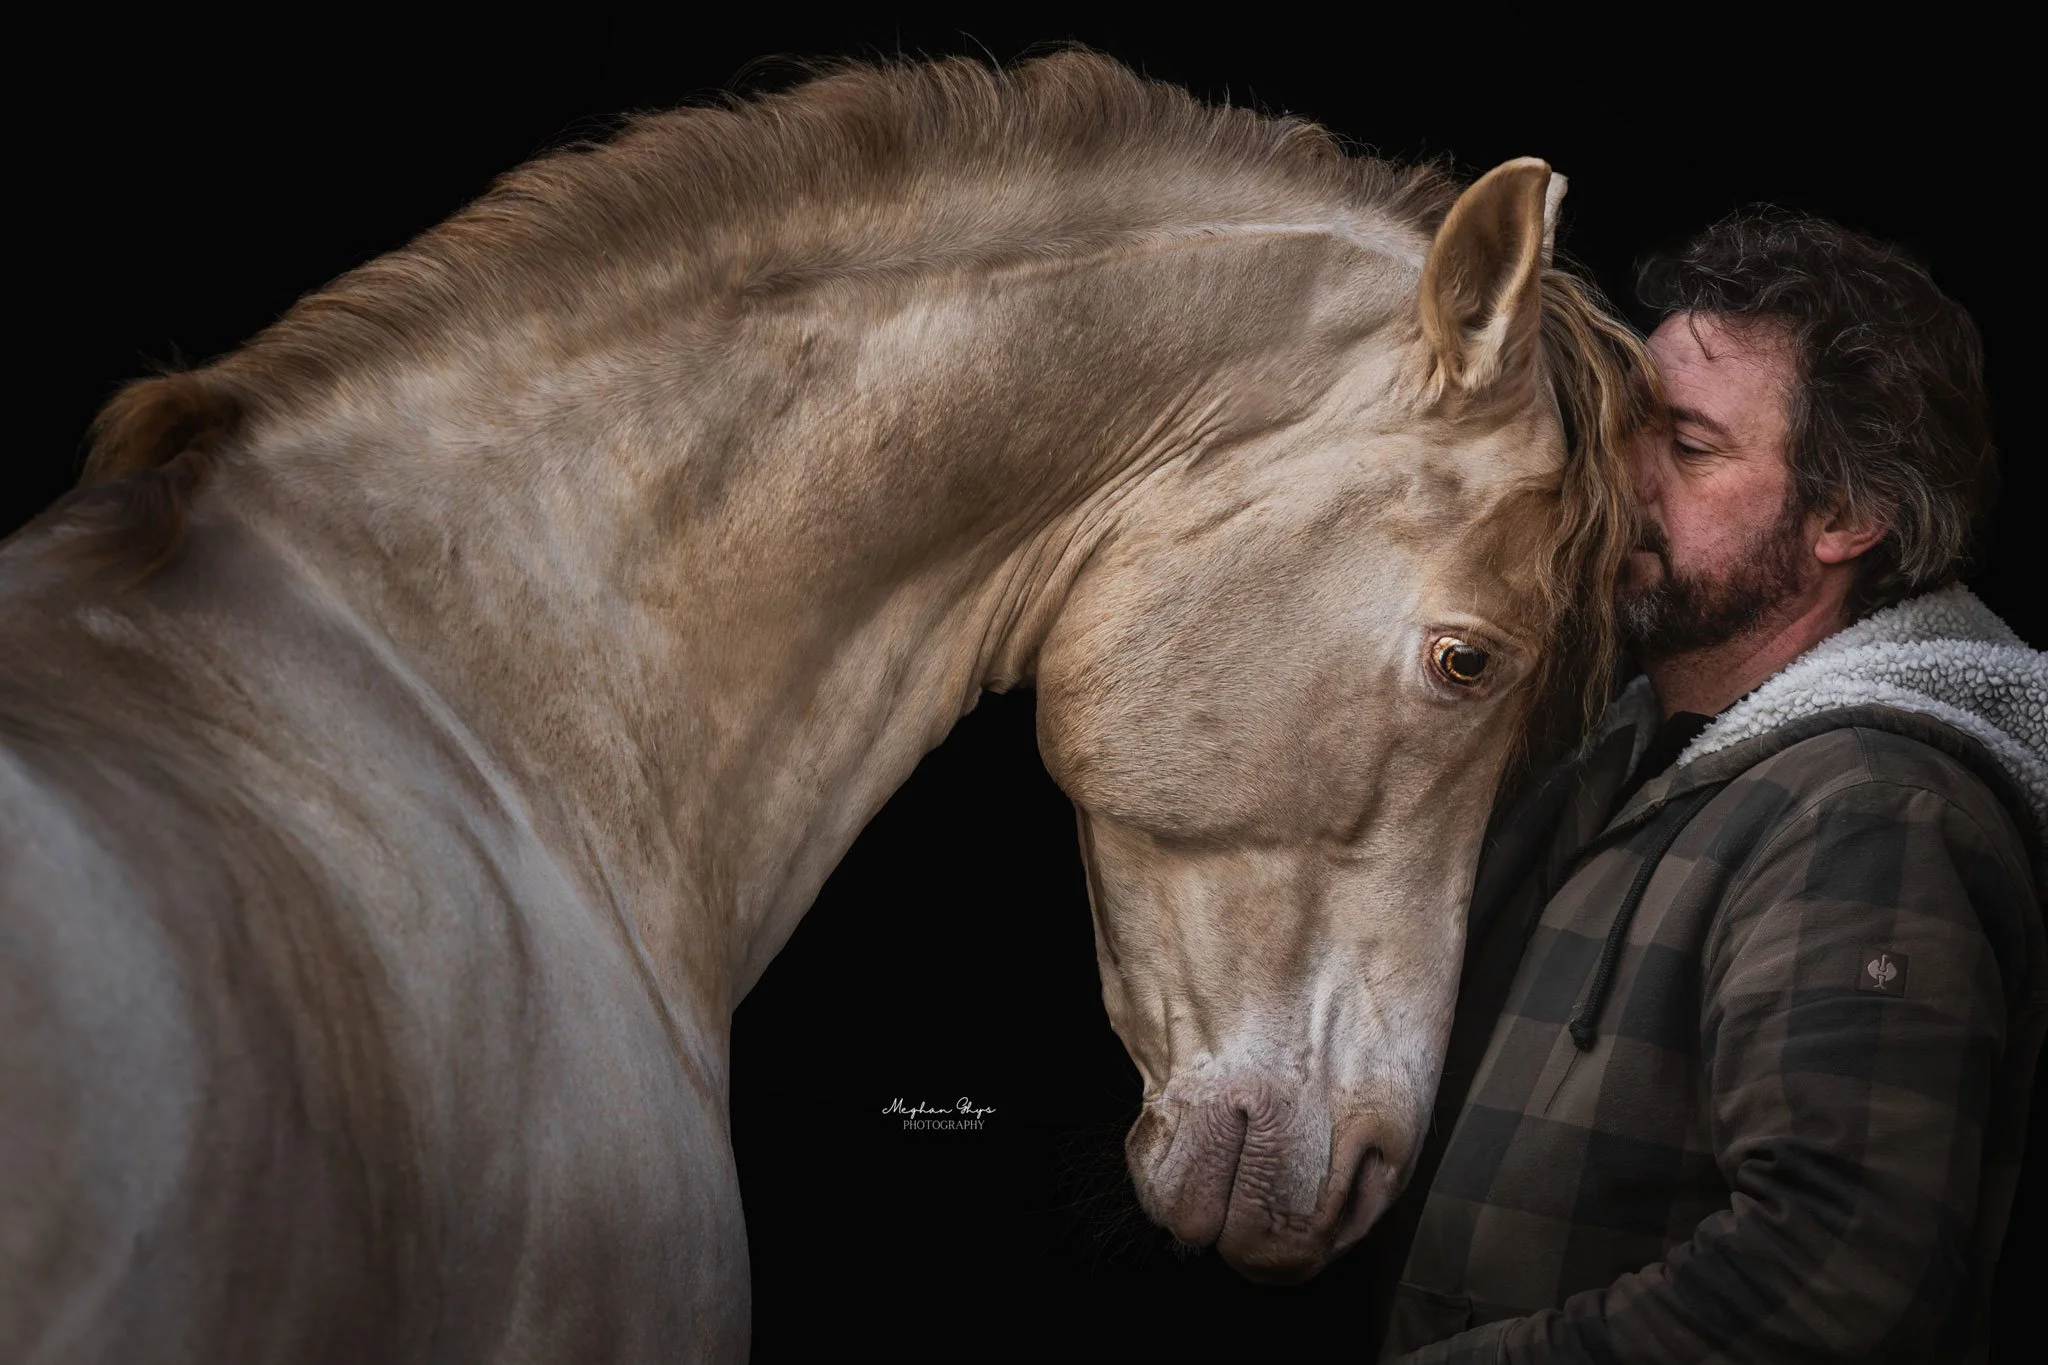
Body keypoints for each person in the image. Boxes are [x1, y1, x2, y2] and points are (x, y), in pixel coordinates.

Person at [1374, 210, 2046, 1362]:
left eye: (1685, 448)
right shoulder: (1625, 753)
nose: (1619, 476)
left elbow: (1837, 1278)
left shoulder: (1870, 809)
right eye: (1630, 428)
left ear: (1845, 517)